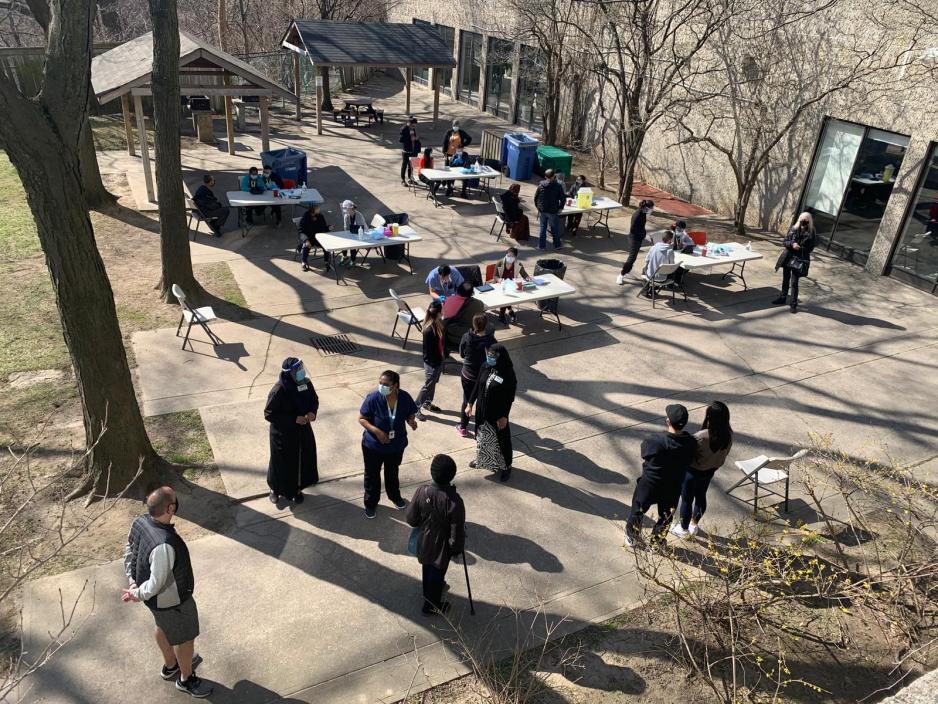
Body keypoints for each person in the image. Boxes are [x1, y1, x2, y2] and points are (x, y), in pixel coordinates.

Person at [122, 486, 213, 698]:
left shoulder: (139, 522)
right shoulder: (164, 545)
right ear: (170, 508)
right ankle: (186, 679)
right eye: (174, 499)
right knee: (185, 638)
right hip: (173, 601)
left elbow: (129, 551)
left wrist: (134, 583)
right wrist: (137, 593)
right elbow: (156, 583)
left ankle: (170, 665)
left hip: (156, 603)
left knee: (162, 626)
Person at [624, 404, 697, 547]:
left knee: (638, 509)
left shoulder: (656, 441)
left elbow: (644, 453)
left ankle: (632, 535)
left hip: (650, 484)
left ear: (668, 421)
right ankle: (657, 541)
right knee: (666, 517)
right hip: (673, 486)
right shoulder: (690, 443)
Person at [406, 454, 466, 616]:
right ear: (452, 475)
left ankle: (429, 591)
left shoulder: (422, 491)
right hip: (442, 547)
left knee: (427, 567)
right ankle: (431, 605)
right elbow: (457, 531)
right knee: (438, 571)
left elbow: (411, 518)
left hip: (424, 540)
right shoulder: (454, 501)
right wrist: (456, 548)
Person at [358, 370, 419, 519]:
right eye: (380, 383)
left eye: (385, 384)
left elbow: (411, 411)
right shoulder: (373, 398)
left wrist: (411, 420)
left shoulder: (404, 397)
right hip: (373, 446)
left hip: (395, 445)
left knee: (392, 472)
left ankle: (394, 496)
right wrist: (377, 431)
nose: (381, 386)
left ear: (395, 385)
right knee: (372, 475)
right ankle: (371, 503)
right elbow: (362, 418)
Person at [671, 402, 733, 539]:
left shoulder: (700, 437)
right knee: (701, 497)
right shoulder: (728, 435)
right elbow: (725, 453)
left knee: (687, 500)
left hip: (692, 473)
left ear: (710, 417)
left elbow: (687, 455)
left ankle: (683, 529)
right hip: (709, 472)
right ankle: (694, 524)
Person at [264, 357, 319, 504]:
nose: (301, 372)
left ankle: (296, 489)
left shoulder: (306, 383)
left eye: (301, 368)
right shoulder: (279, 390)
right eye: (297, 370)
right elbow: (269, 414)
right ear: (289, 373)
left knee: (301, 460)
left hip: (302, 431)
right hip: (283, 434)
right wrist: (293, 419)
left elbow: (314, 400)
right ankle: (275, 488)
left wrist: (312, 412)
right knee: (281, 462)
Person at [466, 343, 517, 481]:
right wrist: (470, 403)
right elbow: (477, 385)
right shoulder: (485, 366)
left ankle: (506, 466)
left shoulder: (508, 374)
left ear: (500, 357)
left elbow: (509, 398)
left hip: (497, 416)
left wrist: (504, 416)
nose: (490, 358)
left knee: (501, 442)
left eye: (493, 356)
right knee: (482, 439)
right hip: (482, 413)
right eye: (488, 355)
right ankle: (481, 460)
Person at [456, 314, 496, 438]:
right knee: (482, 402)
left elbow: (462, 354)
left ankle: (463, 427)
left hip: (467, 375)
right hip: (483, 377)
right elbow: (494, 360)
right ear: (486, 325)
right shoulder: (491, 341)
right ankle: (480, 429)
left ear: (473, 325)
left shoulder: (466, 337)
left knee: (466, 400)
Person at [772, 212, 817, 313]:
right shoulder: (793, 229)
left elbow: (810, 248)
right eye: (801, 219)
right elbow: (785, 241)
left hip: (799, 259)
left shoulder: (811, 232)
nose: (803, 221)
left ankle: (793, 304)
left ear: (809, 221)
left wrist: (799, 248)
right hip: (788, 256)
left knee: (794, 282)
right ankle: (782, 298)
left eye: (805, 220)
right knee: (786, 279)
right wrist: (792, 244)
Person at [415, 301, 445, 421]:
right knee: (428, 386)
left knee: (432, 384)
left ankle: (427, 402)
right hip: (432, 363)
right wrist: (437, 362)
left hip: (436, 361)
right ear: (438, 312)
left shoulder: (436, 324)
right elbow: (430, 350)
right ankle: (416, 407)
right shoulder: (429, 330)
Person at [617, 200, 655, 285]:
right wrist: (642, 234)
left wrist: (643, 234)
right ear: (646, 208)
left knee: (633, 257)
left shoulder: (643, 213)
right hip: (634, 238)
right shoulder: (637, 214)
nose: (652, 210)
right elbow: (633, 229)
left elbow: (641, 226)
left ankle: (627, 270)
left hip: (639, 237)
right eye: (651, 208)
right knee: (632, 257)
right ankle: (621, 275)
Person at [442, 281, 485, 354]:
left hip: (452, 337)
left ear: (458, 290)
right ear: (472, 293)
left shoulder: (448, 300)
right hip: (472, 336)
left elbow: (445, 318)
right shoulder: (479, 304)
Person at [493, 246, 532, 324]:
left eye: (512, 256)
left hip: (511, 285)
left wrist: (528, 278)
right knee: (505, 297)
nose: (509, 257)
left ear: (516, 257)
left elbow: (524, 274)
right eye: (508, 256)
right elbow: (495, 276)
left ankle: (503, 314)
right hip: (501, 285)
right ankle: (507, 313)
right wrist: (499, 280)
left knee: (509, 296)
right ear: (506, 255)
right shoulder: (500, 263)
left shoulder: (518, 264)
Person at [534, 168, 565, 250]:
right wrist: (561, 208)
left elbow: (536, 197)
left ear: (545, 176)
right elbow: (563, 198)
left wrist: (538, 207)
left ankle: (542, 246)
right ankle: (557, 245)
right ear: (554, 176)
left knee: (543, 228)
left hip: (543, 210)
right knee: (554, 228)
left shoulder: (541, 185)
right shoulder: (558, 186)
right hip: (552, 211)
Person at [298, 203, 330, 272]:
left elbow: (324, 228)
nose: (319, 209)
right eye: (318, 208)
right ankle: (304, 262)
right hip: (309, 238)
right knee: (306, 246)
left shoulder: (320, 216)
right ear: (313, 210)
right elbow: (301, 231)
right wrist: (306, 240)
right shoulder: (306, 217)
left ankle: (326, 261)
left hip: (319, 238)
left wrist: (328, 228)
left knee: (326, 245)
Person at [339, 199, 367, 267]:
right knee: (344, 242)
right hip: (352, 233)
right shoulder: (346, 216)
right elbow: (346, 228)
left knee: (352, 244)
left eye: (346, 208)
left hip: (362, 234)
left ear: (350, 208)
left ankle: (353, 260)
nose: (345, 210)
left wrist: (352, 230)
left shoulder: (359, 215)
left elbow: (361, 228)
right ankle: (345, 256)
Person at [399, 116, 421, 186]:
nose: (414, 126)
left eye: (415, 125)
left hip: (413, 150)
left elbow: (413, 137)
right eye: (413, 125)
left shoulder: (412, 129)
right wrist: (411, 139)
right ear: (409, 123)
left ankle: (410, 178)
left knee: (411, 165)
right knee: (404, 165)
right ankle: (403, 179)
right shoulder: (404, 129)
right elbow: (401, 140)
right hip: (406, 151)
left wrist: (415, 139)